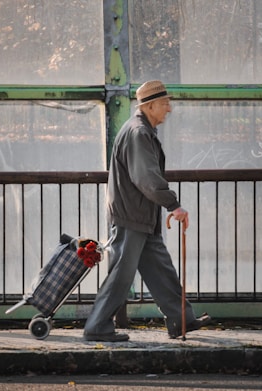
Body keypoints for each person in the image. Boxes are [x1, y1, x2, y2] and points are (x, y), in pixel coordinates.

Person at [83, 80, 211, 342]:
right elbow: (147, 178)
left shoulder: (141, 130)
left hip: (140, 216)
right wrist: (173, 205)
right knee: (121, 274)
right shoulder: (139, 133)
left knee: (161, 270)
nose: (169, 109)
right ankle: (96, 326)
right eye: (165, 104)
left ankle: (180, 320)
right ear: (150, 106)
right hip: (132, 216)